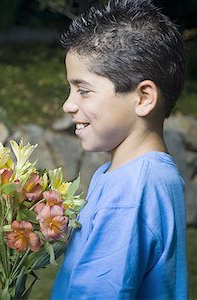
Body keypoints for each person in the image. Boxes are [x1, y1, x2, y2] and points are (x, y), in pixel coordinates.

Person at [52, 0, 187, 299]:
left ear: (143, 98)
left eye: (83, 90)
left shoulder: (130, 193)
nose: (68, 104)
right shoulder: (144, 176)